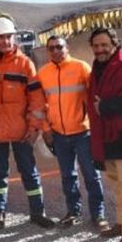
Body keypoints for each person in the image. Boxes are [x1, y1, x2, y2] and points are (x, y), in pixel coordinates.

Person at [0, 14, 55, 229]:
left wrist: (34, 127)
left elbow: (36, 99)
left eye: (8, 37)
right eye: (0, 38)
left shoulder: (25, 64)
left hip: (21, 131)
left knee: (29, 171)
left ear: (14, 37)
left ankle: (37, 212)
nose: (5, 42)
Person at [36, 35, 108, 230]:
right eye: (51, 48)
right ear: (47, 51)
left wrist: (97, 126)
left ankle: (98, 215)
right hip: (59, 135)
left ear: (67, 48)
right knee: (68, 176)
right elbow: (38, 105)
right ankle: (73, 212)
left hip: (83, 133)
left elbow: (95, 97)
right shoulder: (43, 73)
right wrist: (46, 129)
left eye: (59, 47)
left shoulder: (81, 67)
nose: (55, 51)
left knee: (91, 175)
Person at [86, 27, 122, 242]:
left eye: (104, 45)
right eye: (96, 46)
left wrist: (106, 106)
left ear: (114, 44)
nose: (100, 49)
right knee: (116, 183)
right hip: (106, 134)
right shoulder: (98, 67)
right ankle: (121, 223)